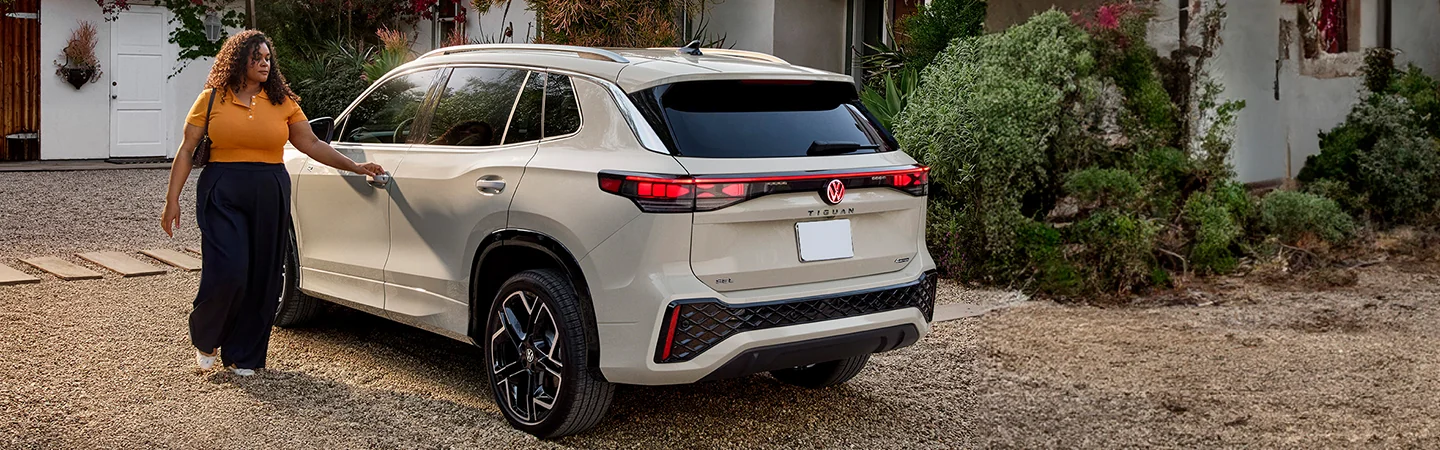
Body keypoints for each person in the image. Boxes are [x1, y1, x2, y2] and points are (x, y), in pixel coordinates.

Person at [159, 30, 384, 377]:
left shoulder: (283, 102)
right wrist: (171, 199)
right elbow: (187, 149)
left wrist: (355, 167)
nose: (265, 64)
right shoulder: (211, 98)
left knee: (263, 274)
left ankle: (244, 354)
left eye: (268, 58)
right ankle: (207, 336)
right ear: (239, 61)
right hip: (222, 190)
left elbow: (311, 144)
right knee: (229, 270)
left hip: (270, 189)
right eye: (257, 58)